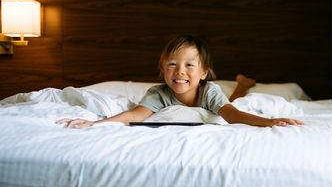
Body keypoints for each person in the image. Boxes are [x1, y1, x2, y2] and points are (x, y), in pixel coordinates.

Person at [57, 35, 303, 128]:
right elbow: (136, 114)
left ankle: (243, 83)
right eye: (172, 65)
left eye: (189, 65)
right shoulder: (159, 93)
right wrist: (96, 123)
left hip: (218, 98)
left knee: (234, 100)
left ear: (204, 72)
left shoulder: (209, 89)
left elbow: (231, 114)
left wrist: (268, 121)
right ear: (163, 70)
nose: (180, 72)